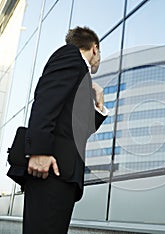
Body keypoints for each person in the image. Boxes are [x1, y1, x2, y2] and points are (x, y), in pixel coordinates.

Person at [22, 26, 108, 234]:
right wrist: (40, 151)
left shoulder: (81, 76)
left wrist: (99, 107)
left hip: (61, 175)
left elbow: (81, 131)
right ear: (94, 48)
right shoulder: (70, 57)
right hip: (50, 170)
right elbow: (46, 100)